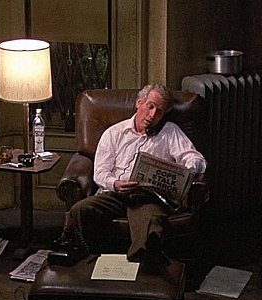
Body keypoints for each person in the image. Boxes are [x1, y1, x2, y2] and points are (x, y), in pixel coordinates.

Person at [57, 84, 207, 267]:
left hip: (148, 196)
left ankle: (142, 266)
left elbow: (195, 158)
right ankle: (95, 262)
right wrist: (115, 184)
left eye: (159, 111)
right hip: (115, 193)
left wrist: (187, 169)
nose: (152, 115)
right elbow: (101, 172)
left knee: (150, 223)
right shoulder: (114, 133)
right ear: (139, 103)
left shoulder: (170, 131)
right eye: (150, 107)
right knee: (81, 210)